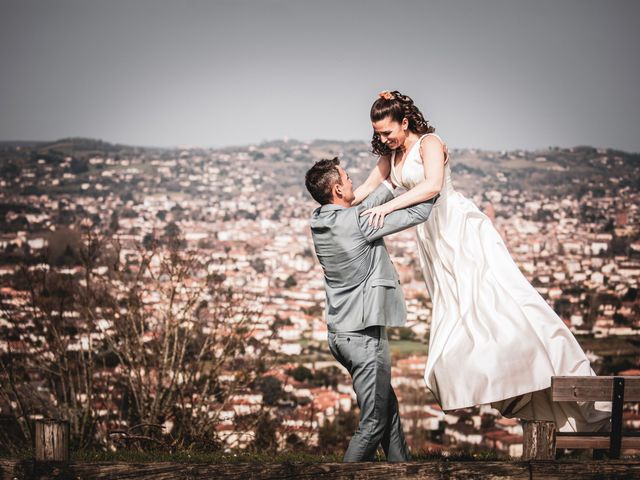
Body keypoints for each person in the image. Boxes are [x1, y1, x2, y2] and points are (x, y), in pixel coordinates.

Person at [353, 90, 610, 433]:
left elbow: (432, 186)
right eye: (378, 134)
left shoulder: (430, 142)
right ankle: (504, 376)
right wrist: (335, 207)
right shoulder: (391, 154)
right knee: (462, 314)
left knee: (494, 303)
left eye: (388, 132)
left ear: (404, 121)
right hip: (433, 239)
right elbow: (368, 186)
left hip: (458, 230)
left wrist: (387, 207)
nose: (383, 139)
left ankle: (547, 365)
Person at [305, 157, 437, 461]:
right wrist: (433, 183)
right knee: (373, 422)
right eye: (348, 179)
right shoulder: (359, 222)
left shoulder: (319, 221)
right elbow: (419, 210)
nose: (353, 182)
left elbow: (364, 211)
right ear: (338, 188)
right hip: (364, 339)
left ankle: (401, 471)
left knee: (387, 412)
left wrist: (391, 179)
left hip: (340, 336)